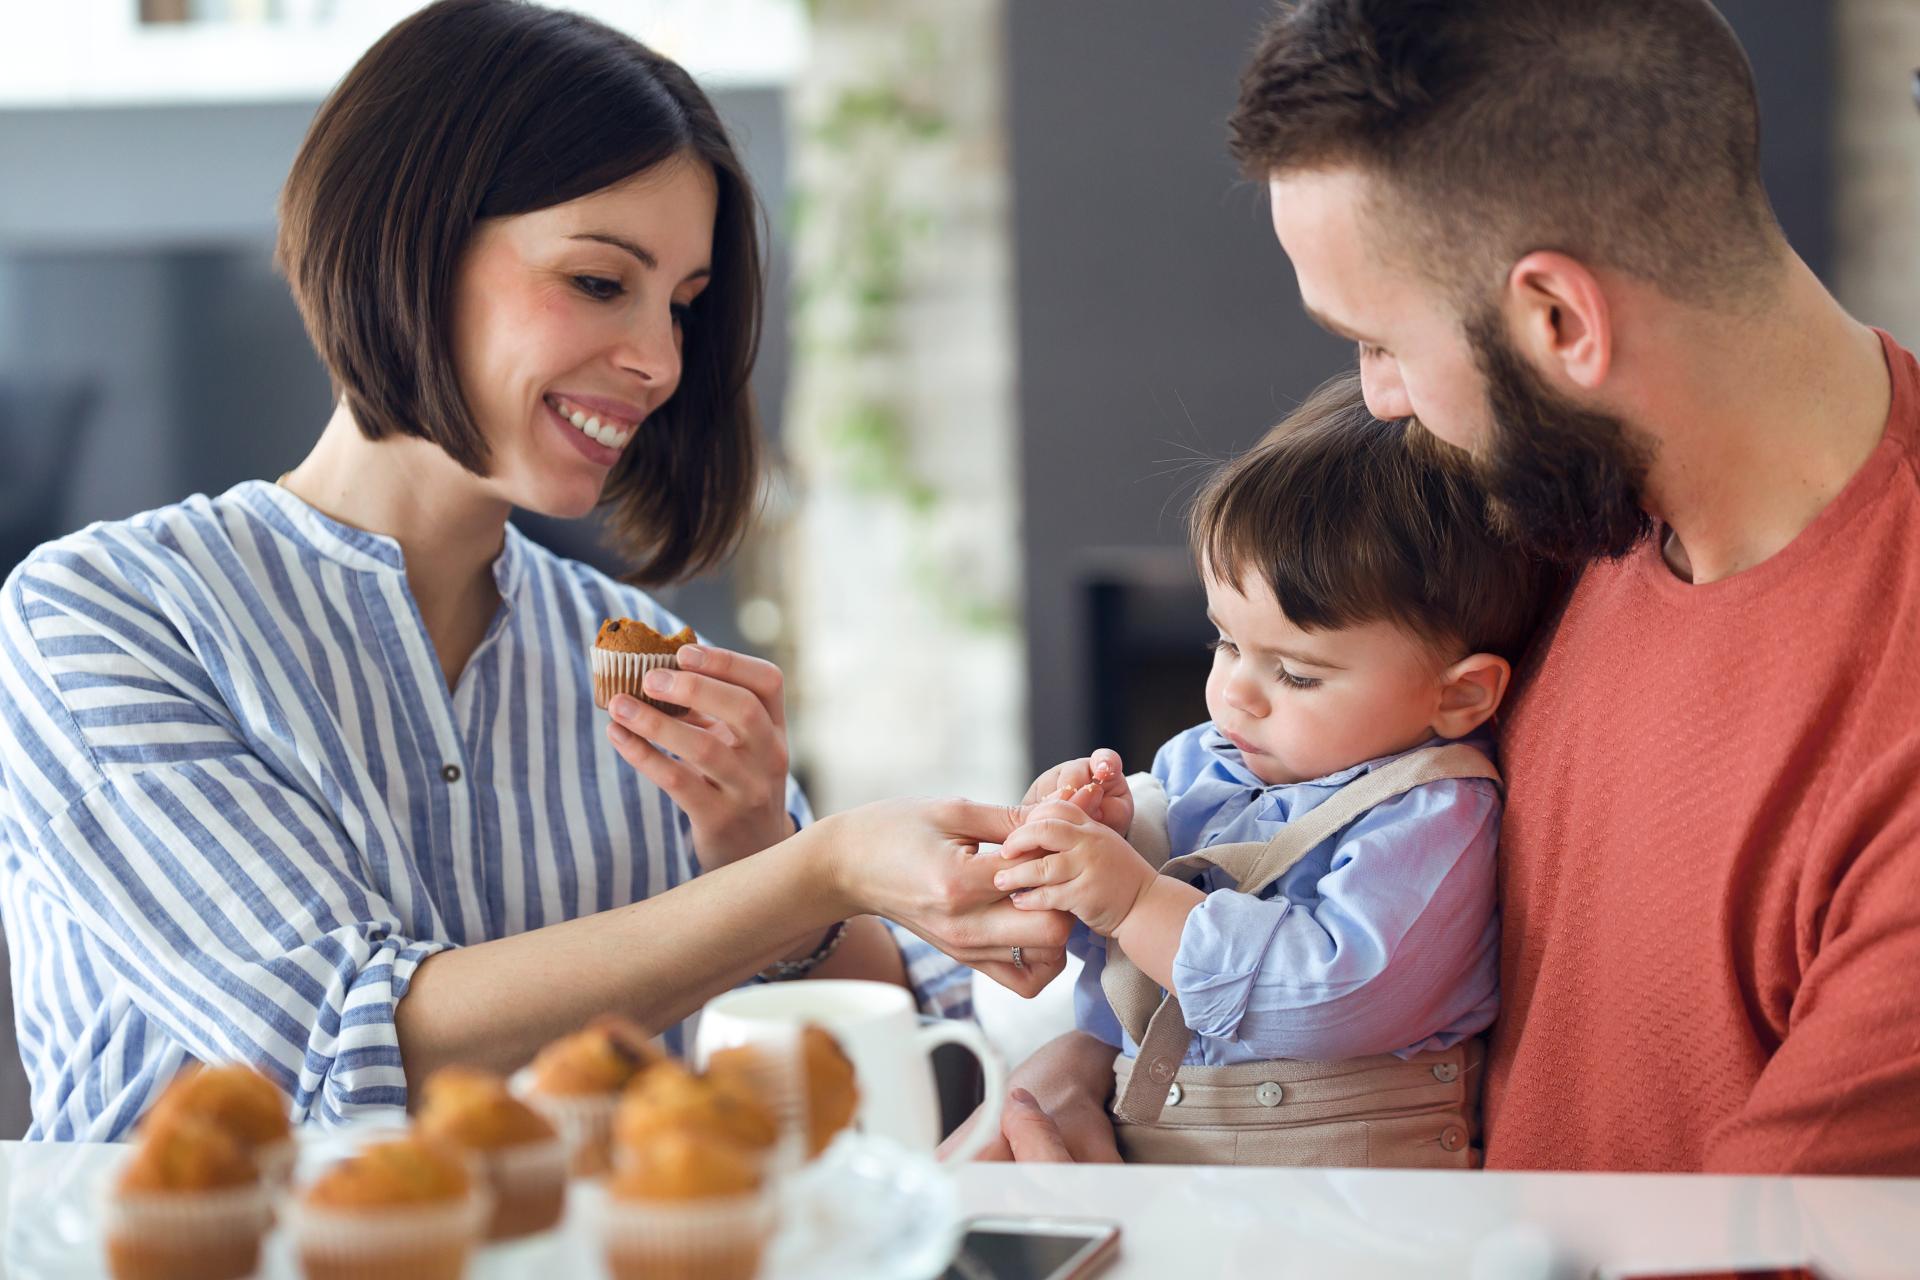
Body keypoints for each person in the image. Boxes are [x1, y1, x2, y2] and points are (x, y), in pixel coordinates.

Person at [0, 0, 1064, 1141]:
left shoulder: (634, 653)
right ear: (407, 238)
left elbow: (894, 1075)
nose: (658, 361)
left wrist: (758, 841)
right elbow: (341, 1044)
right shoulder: (99, 617)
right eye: (601, 282)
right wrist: (815, 869)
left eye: (684, 309)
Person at [992, 0, 1920, 1175]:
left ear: (1557, 320)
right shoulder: (1542, 512)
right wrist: (1090, 1061)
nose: (1377, 398)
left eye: (1379, 341)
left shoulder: (1889, 736)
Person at [979, 375, 1552, 1166]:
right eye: (1225, 643)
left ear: (1458, 696)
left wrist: (1136, 897)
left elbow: (1334, 996)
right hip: (1170, 1154)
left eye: (1298, 674)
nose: (1234, 696)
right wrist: (1098, 844)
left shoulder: (1434, 814)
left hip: (1350, 1198)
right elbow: (1131, 970)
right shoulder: (1207, 759)